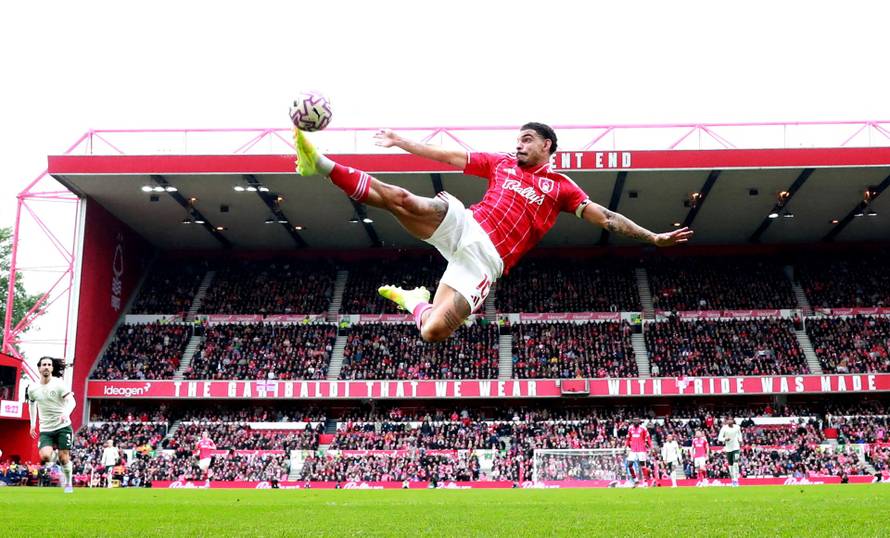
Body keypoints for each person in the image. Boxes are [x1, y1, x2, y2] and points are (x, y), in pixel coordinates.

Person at [294, 124, 692, 342]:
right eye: (517, 139)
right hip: (465, 225)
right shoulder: (500, 164)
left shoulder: (561, 188)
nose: (517, 145)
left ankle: (415, 301)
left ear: (547, 146)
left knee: (432, 332)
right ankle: (320, 163)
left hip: (486, 263)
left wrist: (653, 238)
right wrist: (402, 142)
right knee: (402, 199)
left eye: (527, 140)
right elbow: (452, 155)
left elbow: (604, 217)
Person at [25, 357, 75, 493]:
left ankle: (69, 483)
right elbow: (32, 404)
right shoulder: (32, 388)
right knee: (45, 456)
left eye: (49, 365)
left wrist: (66, 413)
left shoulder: (59, 384)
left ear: (52, 368)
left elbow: (72, 402)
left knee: (64, 458)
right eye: (44, 365)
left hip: (63, 426)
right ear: (39, 368)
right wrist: (32, 424)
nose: (46, 367)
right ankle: (55, 457)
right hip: (46, 428)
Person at [625, 418, 652, 487]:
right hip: (633, 450)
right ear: (633, 422)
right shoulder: (630, 428)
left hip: (641, 450)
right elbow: (628, 438)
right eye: (634, 421)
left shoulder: (643, 428)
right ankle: (636, 480)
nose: (636, 422)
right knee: (629, 464)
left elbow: (648, 438)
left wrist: (651, 447)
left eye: (637, 421)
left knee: (643, 466)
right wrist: (625, 446)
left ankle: (645, 482)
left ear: (639, 422)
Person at [718, 416, 743, 487]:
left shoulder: (737, 427)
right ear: (726, 421)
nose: (729, 421)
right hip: (728, 449)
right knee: (730, 466)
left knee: (735, 463)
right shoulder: (724, 428)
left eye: (731, 420)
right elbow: (719, 438)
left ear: (733, 421)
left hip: (736, 448)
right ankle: (733, 480)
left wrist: (740, 440)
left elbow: (739, 434)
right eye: (728, 420)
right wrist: (725, 439)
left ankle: (736, 479)